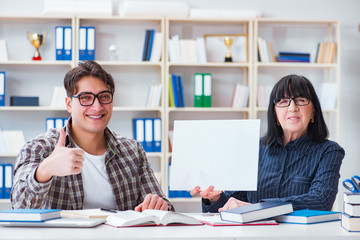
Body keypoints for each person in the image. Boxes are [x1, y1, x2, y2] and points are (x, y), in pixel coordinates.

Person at [11, 60, 174, 211]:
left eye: (104, 97)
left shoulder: (133, 151)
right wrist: (45, 170)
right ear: (69, 104)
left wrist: (159, 206)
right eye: (86, 98)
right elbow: (19, 207)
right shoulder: (39, 148)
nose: (97, 107)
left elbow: (164, 209)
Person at [191, 74, 345, 212]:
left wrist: (258, 208)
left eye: (300, 100)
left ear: (313, 111)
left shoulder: (329, 151)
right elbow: (233, 202)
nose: (292, 108)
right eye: (283, 101)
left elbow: (320, 200)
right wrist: (214, 198)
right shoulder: (254, 148)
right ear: (275, 114)